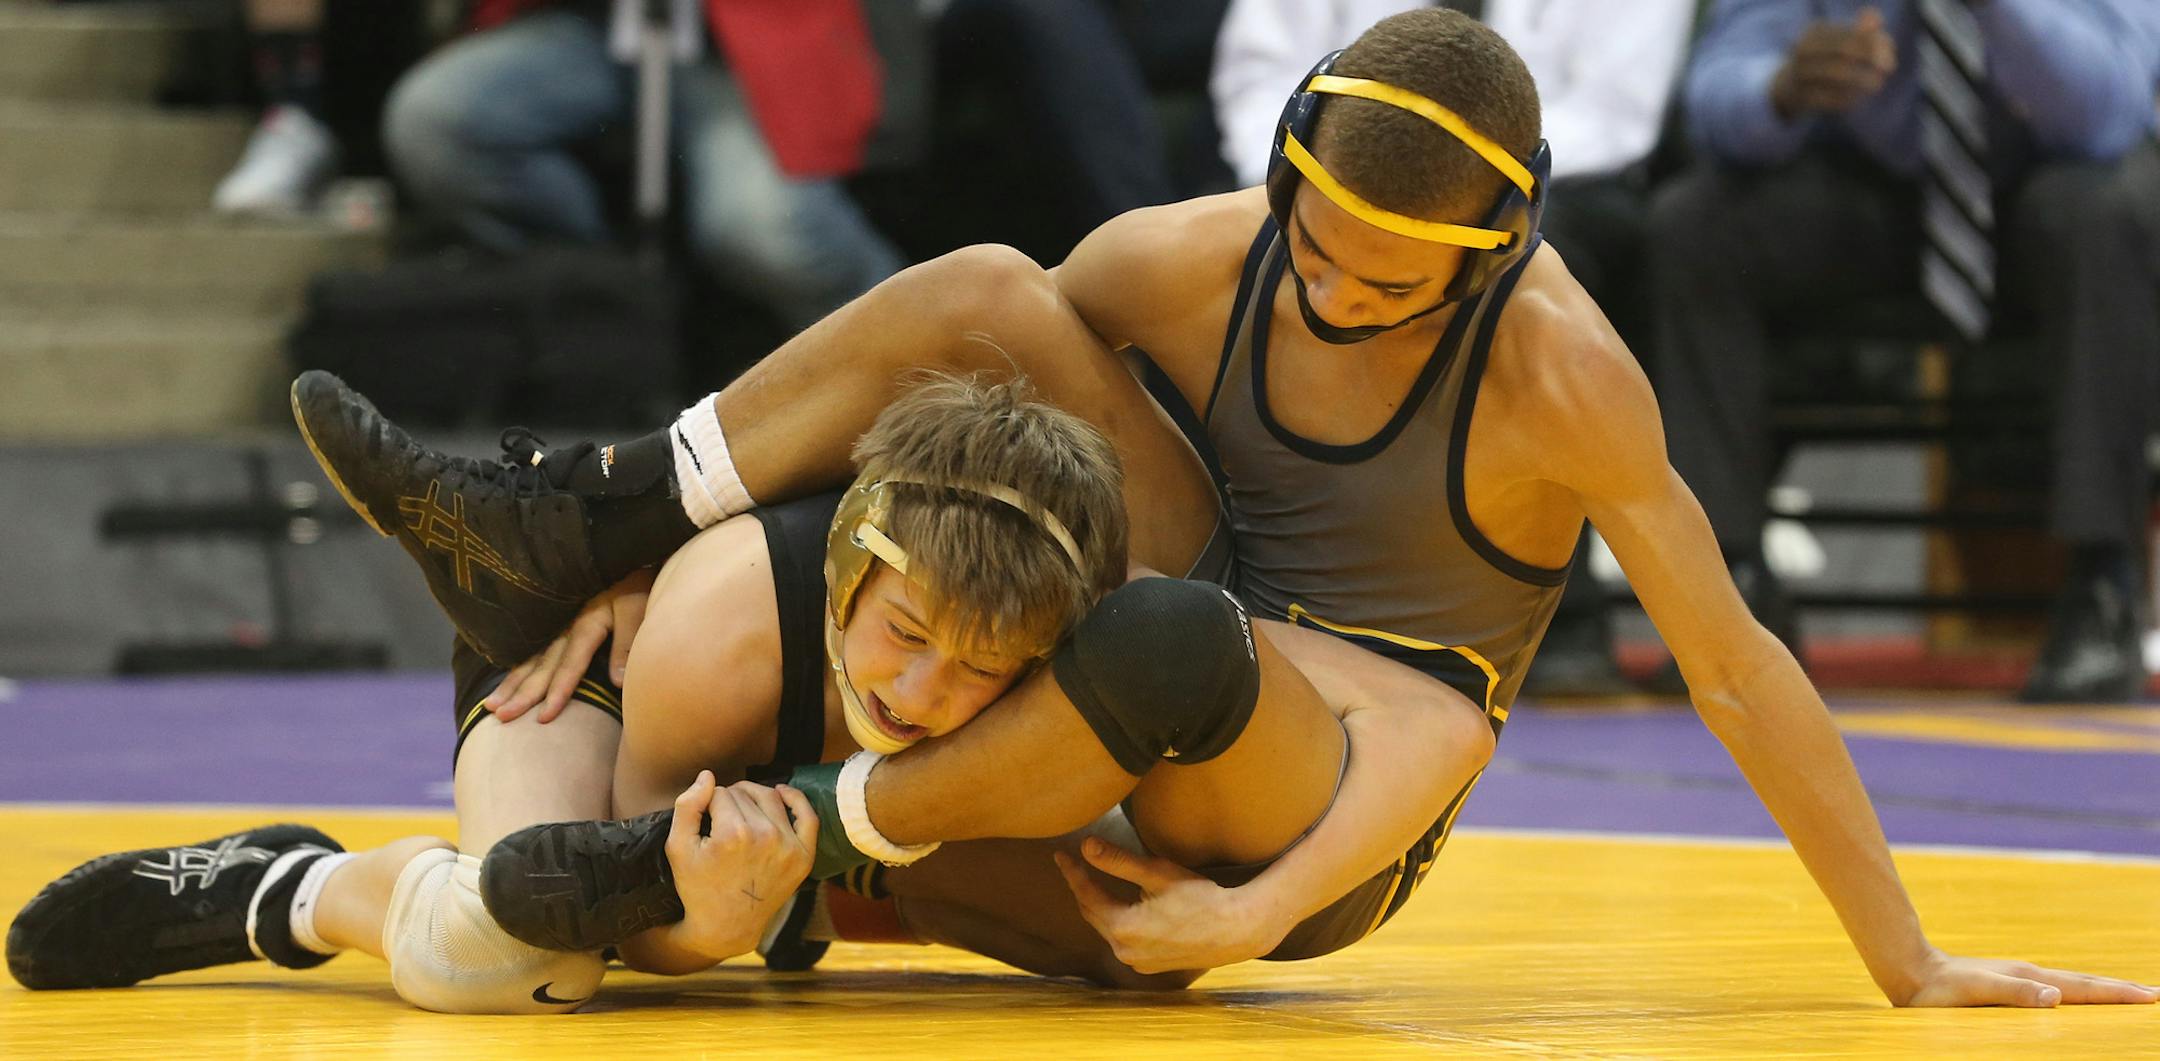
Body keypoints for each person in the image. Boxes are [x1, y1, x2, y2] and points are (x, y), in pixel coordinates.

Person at [271, 10, 2153, 1005]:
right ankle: (576, 515)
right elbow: (947, 438)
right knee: (992, 296)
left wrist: (1903, 962)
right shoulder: (1205, 258)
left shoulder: (1563, 383)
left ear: (1494, 258)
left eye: (1378, 281)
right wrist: (655, 562)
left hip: (1316, 762)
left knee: (1171, 642)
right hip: (1160, 610)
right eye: (1309, 242)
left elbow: (1730, 672)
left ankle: (752, 857)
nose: (1321, 290)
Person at [9, 373, 1229, 1007]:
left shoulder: (1063, 649)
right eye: (906, 631)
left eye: (981, 670)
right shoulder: (714, 627)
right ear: (855, 565)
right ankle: (302, 886)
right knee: (524, 957)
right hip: (591, 678)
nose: (919, 690)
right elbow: (634, 917)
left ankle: (809, 901)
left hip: (812, 806)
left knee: (1132, 945)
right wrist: (711, 916)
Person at [1650, 0, 2160, 702]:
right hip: (1871, 190)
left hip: (2045, 190)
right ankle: (1729, 587)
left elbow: (2110, 113)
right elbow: (1711, 97)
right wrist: (1781, 90)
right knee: (1696, 224)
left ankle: (2103, 584)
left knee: (2107, 213)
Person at [1210, 0, 1701, 695]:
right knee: (1258, 257)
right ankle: (1226, 561)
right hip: (1320, 161)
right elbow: (1257, 76)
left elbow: (1618, 111)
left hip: (1533, 191)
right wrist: (1326, 183)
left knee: (1545, 271)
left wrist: (1447, 172)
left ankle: (1562, 607)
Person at [379, 0, 904, 332]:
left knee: (764, 231)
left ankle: (920, 354)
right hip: (591, 23)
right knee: (436, 120)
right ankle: (603, 301)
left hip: (740, 42)